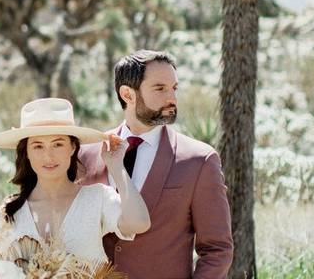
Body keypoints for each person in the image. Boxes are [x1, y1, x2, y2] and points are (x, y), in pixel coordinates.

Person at [79, 50, 233, 278]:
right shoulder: (86, 153)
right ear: (127, 95)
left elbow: (217, 249)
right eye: (160, 88)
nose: (172, 98)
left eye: (174, 88)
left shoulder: (200, 160)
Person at [0, 97, 151, 263]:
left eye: (58, 144)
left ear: (73, 147)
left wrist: (116, 167)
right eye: (38, 146)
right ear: (26, 152)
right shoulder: (9, 211)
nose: (48, 156)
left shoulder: (97, 198)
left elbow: (139, 223)